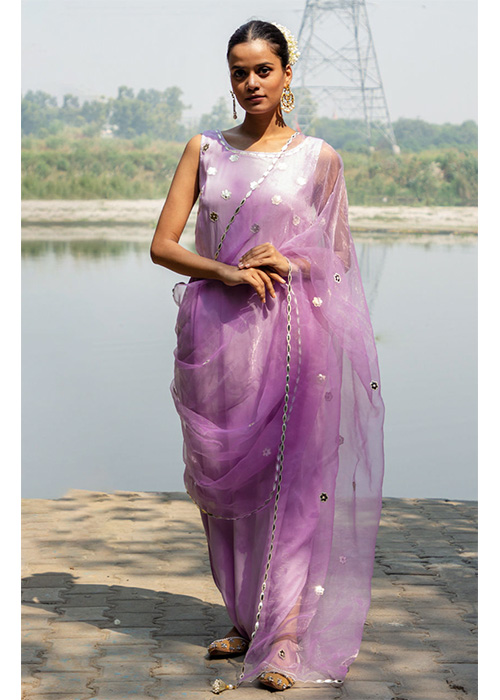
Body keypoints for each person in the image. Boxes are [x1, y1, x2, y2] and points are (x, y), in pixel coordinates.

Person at [150, 20, 385, 694]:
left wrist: (291, 258)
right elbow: (164, 246)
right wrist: (224, 271)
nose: (251, 82)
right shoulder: (205, 149)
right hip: (217, 336)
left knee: (294, 480)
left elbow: (339, 258)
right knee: (227, 482)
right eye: (239, 71)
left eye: (263, 70)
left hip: (293, 335)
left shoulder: (319, 158)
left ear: (286, 74)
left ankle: (283, 636)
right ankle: (245, 617)